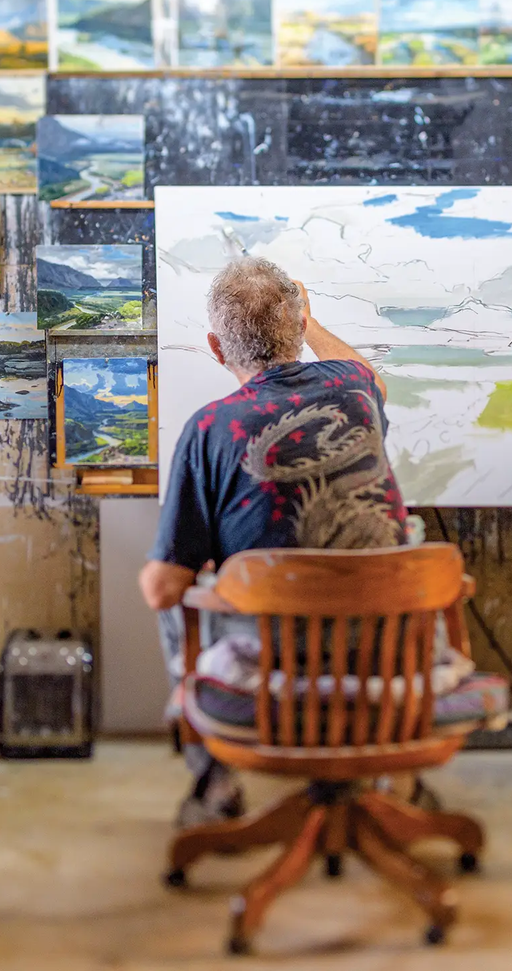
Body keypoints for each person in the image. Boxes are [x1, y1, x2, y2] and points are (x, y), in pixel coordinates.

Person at [140, 257, 407, 826]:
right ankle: (393, 776)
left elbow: (163, 590)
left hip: (273, 656)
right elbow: (372, 375)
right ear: (296, 327)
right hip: (378, 648)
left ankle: (214, 779)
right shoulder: (358, 392)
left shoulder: (210, 429)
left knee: (176, 587)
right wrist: (308, 322)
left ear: (216, 348)